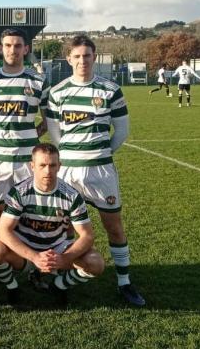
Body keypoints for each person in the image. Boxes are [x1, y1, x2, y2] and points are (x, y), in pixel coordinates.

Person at [45, 35, 145, 306]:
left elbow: (121, 131)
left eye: (87, 56)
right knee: (63, 227)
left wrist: (101, 154)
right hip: (68, 172)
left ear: (95, 57)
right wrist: (73, 156)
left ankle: (124, 282)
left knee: (113, 226)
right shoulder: (58, 92)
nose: (82, 61)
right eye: (76, 56)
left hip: (101, 172)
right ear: (69, 59)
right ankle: (62, 279)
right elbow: (56, 135)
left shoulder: (110, 90)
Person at [0, 143, 104, 306]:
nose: (48, 171)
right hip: (26, 251)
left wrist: (64, 258)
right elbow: (3, 231)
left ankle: (59, 285)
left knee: (96, 263)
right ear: (32, 166)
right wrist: (35, 257)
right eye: (42, 165)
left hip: (57, 249)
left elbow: (87, 235)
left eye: (52, 165)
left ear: (59, 166)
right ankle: (12, 287)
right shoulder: (19, 192)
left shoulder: (71, 196)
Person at [0, 28, 47, 243]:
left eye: (17, 45)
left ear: (26, 49)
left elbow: (48, 118)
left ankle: (30, 265)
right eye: (7, 45)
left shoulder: (38, 82)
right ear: (0, 48)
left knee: (30, 211)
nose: (12, 50)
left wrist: (35, 133)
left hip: (27, 159)